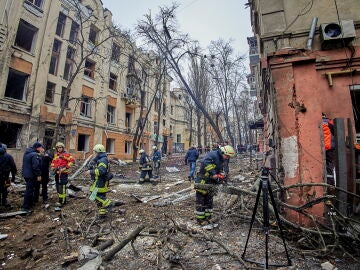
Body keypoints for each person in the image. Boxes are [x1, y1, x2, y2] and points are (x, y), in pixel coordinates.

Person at [194, 145, 236, 227]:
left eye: (228, 157)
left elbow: (218, 169)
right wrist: (213, 174)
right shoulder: (213, 155)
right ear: (223, 152)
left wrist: (221, 175)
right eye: (227, 156)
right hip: (203, 181)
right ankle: (200, 220)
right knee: (201, 201)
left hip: (211, 182)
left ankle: (208, 218)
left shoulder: (221, 158)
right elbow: (205, 163)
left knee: (209, 201)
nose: (227, 158)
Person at [84, 144, 112, 217]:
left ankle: (108, 203)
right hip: (101, 181)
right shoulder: (101, 159)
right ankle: (102, 214)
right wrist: (92, 162)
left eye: (95, 152)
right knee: (99, 198)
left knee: (93, 195)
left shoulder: (103, 160)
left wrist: (90, 172)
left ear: (98, 152)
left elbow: (101, 171)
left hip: (100, 182)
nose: (94, 153)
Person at [50, 142, 74, 209]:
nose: (59, 149)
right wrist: (52, 167)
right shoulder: (56, 155)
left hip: (63, 174)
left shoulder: (67, 154)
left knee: (62, 187)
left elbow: (72, 161)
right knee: (58, 187)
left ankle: (62, 202)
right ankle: (60, 200)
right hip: (57, 173)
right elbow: (53, 163)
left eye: (60, 147)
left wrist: (65, 167)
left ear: (63, 148)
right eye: (58, 148)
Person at [22, 142, 44, 212]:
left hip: (26, 175)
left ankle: (30, 204)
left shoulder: (27, 153)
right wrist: (39, 175)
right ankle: (26, 207)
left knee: (29, 189)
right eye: (41, 147)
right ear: (38, 148)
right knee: (29, 191)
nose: (42, 149)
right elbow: (35, 166)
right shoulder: (34, 155)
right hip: (31, 175)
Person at [322, 113, 335, 185]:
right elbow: (335, 130)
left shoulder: (317, 121)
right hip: (329, 147)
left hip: (321, 147)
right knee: (329, 165)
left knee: (322, 164)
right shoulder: (328, 122)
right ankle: (330, 183)